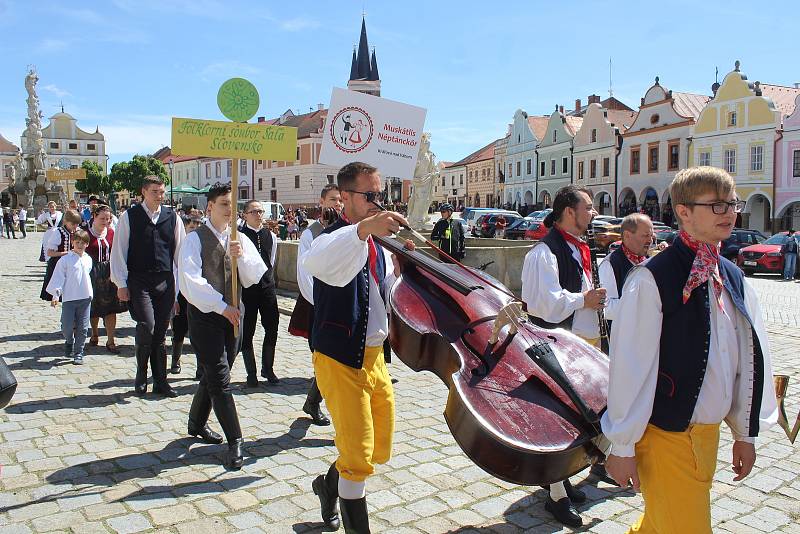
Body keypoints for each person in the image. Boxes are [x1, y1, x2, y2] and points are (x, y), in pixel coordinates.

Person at [602, 167, 778, 533]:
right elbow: (632, 367)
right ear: (683, 212)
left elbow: (743, 357)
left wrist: (745, 435)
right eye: (715, 205)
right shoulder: (653, 277)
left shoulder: (731, 274)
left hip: (706, 435)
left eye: (732, 203)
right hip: (667, 435)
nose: (729, 212)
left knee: (660, 524)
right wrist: (622, 446)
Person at [303, 162, 414, 533]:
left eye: (380, 195)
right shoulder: (328, 238)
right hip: (338, 357)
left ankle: (327, 485)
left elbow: (382, 296)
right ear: (346, 197)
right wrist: (364, 229)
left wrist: (402, 270)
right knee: (358, 459)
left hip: (374, 356)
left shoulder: (377, 245)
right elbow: (319, 263)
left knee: (378, 447)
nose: (377, 202)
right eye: (370, 195)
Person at [520, 185, 606, 528]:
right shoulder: (544, 253)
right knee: (559, 421)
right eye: (588, 206)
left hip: (578, 344)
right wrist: (582, 300)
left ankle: (563, 479)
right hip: (554, 348)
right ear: (569, 211)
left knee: (577, 421)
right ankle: (556, 496)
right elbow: (543, 304)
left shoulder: (576, 248)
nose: (593, 212)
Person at [178, 183, 267, 469]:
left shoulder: (237, 237)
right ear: (210, 208)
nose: (230, 210)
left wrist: (240, 256)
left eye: (232, 204)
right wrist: (221, 306)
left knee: (216, 373)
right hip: (207, 317)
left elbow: (255, 276)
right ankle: (236, 441)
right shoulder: (195, 239)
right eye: (224, 204)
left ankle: (196, 422)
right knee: (220, 378)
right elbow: (191, 282)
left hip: (234, 317)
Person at [111, 175, 185, 398]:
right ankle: (141, 374)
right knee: (147, 325)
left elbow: (180, 256)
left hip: (165, 281)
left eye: (162, 192)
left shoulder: (173, 218)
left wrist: (178, 292)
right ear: (143, 192)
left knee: (161, 333)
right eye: (155, 191)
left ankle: (160, 380)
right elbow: (119, 251)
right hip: (139, 280)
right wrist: (120, 283)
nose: (159, 196)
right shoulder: (129, 217)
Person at [293, 183, 344, 426]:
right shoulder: (309, 233)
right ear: (322, 202)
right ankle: (315, 402)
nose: (337, 203)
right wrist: (324, 303)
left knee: (335, 358)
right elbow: (304, 275)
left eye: (340, 199)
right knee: (324, 357)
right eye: (333, 199)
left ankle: (313, 400)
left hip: (341, 303)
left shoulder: (346, 229)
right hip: (319, 304)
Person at [238, 200, 280, 386]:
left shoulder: (270, 235)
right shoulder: (238, 236)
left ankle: (268, 368)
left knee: (272, 327)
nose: (258, 215)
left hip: (267, 288)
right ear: (245, 215)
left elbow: (271, 261)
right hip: (247, 291)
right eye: (254, 211)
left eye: (261, 211)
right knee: (248, 331)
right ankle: (251, 373)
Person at [598, 213, 652, 339]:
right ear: (627, 235)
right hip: (623, 340)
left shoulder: (648, 261)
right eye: (645, 236)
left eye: (651, 236)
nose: (650, 240)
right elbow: (605, 307)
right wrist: (641, 307)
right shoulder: (610, 264)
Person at [46, 229, 93, 365]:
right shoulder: (65, 260)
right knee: (67, 326)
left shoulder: (88, 259)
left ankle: (79, 352)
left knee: (83, 327)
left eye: (83, 243)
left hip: (85, 297)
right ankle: (69, 341)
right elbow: (59, 278)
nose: (79, 245)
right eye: (77, 242)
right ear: (72, 243)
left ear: (87, 244)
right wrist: (56, 294)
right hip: (69, 298)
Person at [85, 205, 128, 354]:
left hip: (109, 273)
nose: (105, 221)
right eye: (102, 218)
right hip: (91, 273)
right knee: (94, 307)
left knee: (111, 308)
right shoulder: (85, 234)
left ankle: (111, 340)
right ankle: (94, 333)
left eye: (108, 218)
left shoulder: (111, 233)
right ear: (94, 217)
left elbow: (118, 252)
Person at [171, 216, 202, 375]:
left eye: (197, 228)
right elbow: (175, 273)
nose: (194, 231)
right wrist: (175, 298)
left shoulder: (203, 246)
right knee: (179, 329)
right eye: (191, 228)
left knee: (199, 331)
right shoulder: (180, 247)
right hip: (182, 293)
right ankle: (175, 360)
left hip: (199, 294)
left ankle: (200, 366)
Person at [40, 210, 82, 302]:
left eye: (77, 224)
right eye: (73, 224)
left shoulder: (79, 232)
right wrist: (66, 253)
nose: (75, 226)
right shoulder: (58, 232)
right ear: (66, 221)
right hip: (59, 265)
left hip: (75, 265)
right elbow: (50, 253)